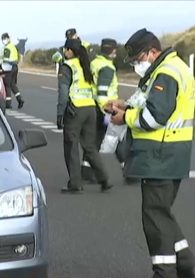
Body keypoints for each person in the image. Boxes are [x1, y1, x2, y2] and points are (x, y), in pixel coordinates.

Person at [107, 28, 195, 278]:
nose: (136, 65)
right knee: (162, 212)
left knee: (154, 215)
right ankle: (185, 262)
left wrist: (125, 117)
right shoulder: (170, 68)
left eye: (137, 60)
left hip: (161, 155)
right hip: (169, 154)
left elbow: (155, 116)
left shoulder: (166, 73)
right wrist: (125, 105)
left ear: (152, 52)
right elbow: (151, 104)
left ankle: (164, 272)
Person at [56, 38, 113, 194]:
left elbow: (63, 92)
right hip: (90, 109)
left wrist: (60, 113)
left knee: (71, 146)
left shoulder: (67, 66)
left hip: (75, 110)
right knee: (89, 147)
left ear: (69, 51)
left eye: (65, 49)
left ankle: (75, 183)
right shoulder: (85, 65)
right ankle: (104, 178)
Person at [81, 38, 126, 183]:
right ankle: (128, 171)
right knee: (116, 137)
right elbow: (102, 91)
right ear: (112, 50)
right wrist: (108, 110)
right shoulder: (107, 67)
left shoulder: (94, 63)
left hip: (92, 105)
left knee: (95, 140)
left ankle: (86, 170)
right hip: (105, 108)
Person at [0, 32, 24, 109]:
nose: (4, 41)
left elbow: (6, 60)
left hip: (8, 68)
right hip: (15, 67)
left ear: (8, 38)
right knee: (13, 84)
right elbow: (18, 57)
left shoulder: (7, 48)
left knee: (7, 85)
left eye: (4, 39)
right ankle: (20, 99)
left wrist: (1, 68)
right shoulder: (13, 46)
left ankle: (8, 103)